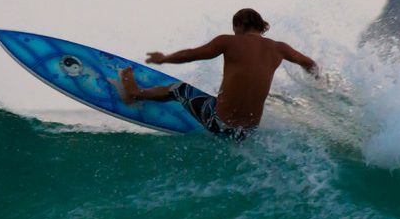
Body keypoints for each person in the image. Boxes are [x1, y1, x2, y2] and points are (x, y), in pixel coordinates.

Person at [111, 8, 317, 140]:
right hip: (247, 134)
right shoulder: (279, 48)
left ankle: (134, 94)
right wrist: (319, 84)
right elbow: (310, 63)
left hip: (220, 124)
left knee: (179, 89)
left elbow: (193, 55)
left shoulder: (229, 40)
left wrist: (164, 58)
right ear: (260, 26)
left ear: (238, 25)